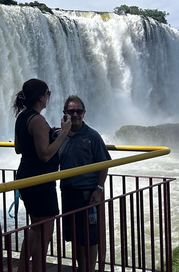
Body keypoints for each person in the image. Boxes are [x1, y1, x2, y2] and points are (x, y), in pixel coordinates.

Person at [13, 78, 71, 272]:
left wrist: (46, 134)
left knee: (35, 227)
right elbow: (45, 155)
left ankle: (22, 269)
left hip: (26, 178)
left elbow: (18, 148)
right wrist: (63, 133)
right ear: (40, 96)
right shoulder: (37, 120)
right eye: (48, 94)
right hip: (41, 182)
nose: (49, 97)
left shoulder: (22, 117)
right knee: (44, 232)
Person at [59, 95, 111, 272]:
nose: (75, 114)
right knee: (75, 236)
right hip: (67, 193)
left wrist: (99, 189)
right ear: (65, 113)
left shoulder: (92, 136)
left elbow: (105, 164)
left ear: (84, 113)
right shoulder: (60, 136)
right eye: (71, 111)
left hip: (87, 195)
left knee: (90, 237)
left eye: (78, 111)